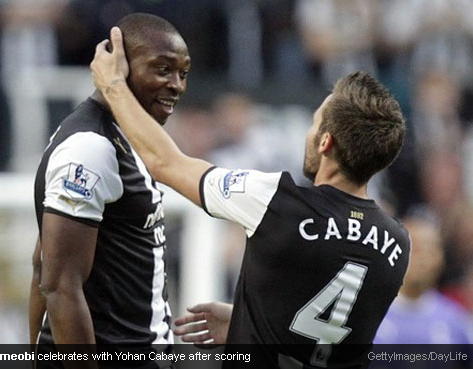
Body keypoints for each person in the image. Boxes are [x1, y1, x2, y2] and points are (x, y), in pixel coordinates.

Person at [91, 27, 409, 368]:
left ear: (325, 142)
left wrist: (112, 86)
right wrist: (247, 322)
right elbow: (331, 335)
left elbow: (164, 162)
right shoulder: (398, 243)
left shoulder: (276, 201)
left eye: (314, 123)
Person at [30, 13, 190, 369]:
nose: (177, 85)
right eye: (162, 69)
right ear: (116, 65)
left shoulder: (127, 137)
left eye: (183, 73)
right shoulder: (91, 147)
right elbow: (57, 285)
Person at [374, 209, 472, 345]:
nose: (423, 259)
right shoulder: (369, 315)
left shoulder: (455, 320)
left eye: (430, 250)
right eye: (416, 249)